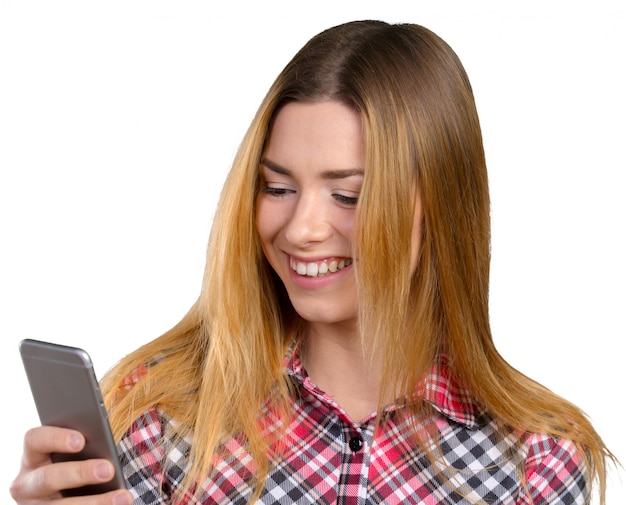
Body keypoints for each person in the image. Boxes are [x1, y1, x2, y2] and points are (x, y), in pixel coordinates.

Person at [10, 20, 616, 505]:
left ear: (441, 207)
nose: (301, 229)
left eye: (349, 195)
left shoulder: (535, 458)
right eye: (277, 188)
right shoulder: (161, 418)